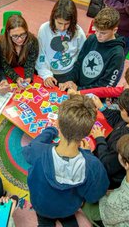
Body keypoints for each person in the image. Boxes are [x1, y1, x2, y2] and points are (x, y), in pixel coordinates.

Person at [23, 94, 109, 226]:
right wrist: (87, 153)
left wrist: (51, 130)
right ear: (87, 133)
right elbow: (93, 196)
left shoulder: (38, 151)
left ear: (58, 123)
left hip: (41, 206)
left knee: (44, 220)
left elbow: (27, 150)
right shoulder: (94, 165)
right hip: (69, 208)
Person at [59, 7, 124, 91]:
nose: (98, 35)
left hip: (93, 95)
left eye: (103, 33)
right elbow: (79, 63)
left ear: (114, 30)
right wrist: (70, 80)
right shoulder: (92, 39)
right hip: (78, 88)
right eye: (96, 30)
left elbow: (106, 85)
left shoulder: (117, 54)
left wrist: (80, 89)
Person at [35, 0, 86, 88]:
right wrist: (46, 75)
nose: (62, 28)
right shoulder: (44, 29)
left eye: (67, 24)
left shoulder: (79, 32)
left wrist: (73, 77)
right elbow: (41, 54)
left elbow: (82, 56)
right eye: (59, 23)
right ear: (53, 17)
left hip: (70, 74)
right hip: (48, 72)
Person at [0, 15, 39, 88]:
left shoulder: (32, 41)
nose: (20, 39)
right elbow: (4, 65)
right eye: (15, 36)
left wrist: (29, 77)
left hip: (25, 71)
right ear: (8, 33)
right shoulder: (2, 43)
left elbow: (30, 63)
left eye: (23, 34)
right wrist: (16, 78)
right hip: (9, 73)